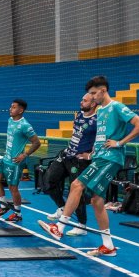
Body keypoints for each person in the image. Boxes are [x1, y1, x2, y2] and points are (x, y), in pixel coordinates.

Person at [39, 76, 139, 257]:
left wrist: (119, 143)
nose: (92, 96)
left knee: (77, 185)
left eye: (94, 93)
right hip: (99, 158)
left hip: (110, 158)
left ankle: (59, 227)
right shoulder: (101, 111)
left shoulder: (116, 107)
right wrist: (91, 154)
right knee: (96, 201)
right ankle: (108, 246)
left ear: (103, 91)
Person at [42, 93, 98, 236]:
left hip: (80, 160)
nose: (81, 102)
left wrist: (90, 155)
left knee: (76, 191)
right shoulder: (79, 114)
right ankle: (62, 207)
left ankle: (82, 226)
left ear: (93, 104)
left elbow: (102, 142)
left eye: (84, 100)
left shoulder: (97, 120)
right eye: (82, 99)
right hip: (67, 154)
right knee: (49, 180)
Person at [0, 99, 41, 223]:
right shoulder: (10, 120)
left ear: (20, 110)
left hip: (15, 162)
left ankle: (18, 214)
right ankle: (3, 206)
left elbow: (36, 142)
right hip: (5, 158)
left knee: (13, 188)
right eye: (11, 106)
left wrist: (24, 155)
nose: (10, 109)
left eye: (13, 107)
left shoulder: (25, 125)